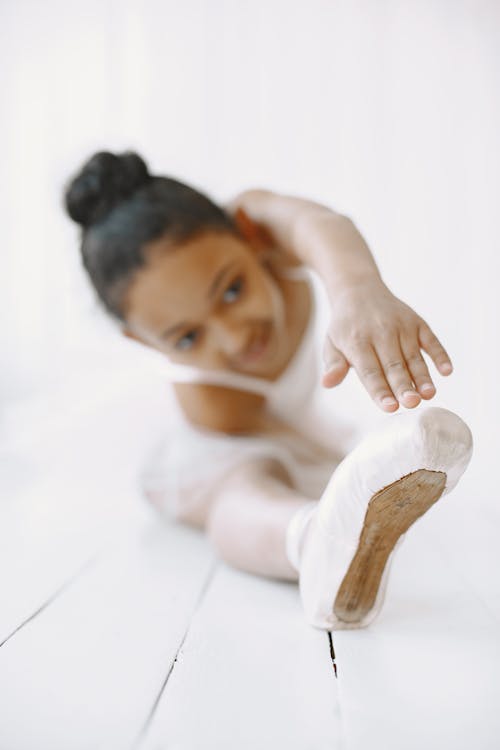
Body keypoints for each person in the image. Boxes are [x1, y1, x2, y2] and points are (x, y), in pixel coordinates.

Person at [63, 151, 473, 630]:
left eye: (232, 290)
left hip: (290, 427)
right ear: (144, 341)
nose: (236, 338)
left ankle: (338, 513)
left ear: (250, 234)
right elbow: (290, 446)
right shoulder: (209, 402)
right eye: (188, 338)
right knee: (240, 489)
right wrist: (343, 472)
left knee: (309, 469)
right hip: (208, 457)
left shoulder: (262, 224)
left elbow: (318, 224)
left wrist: (356, 289)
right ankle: (309, 540)